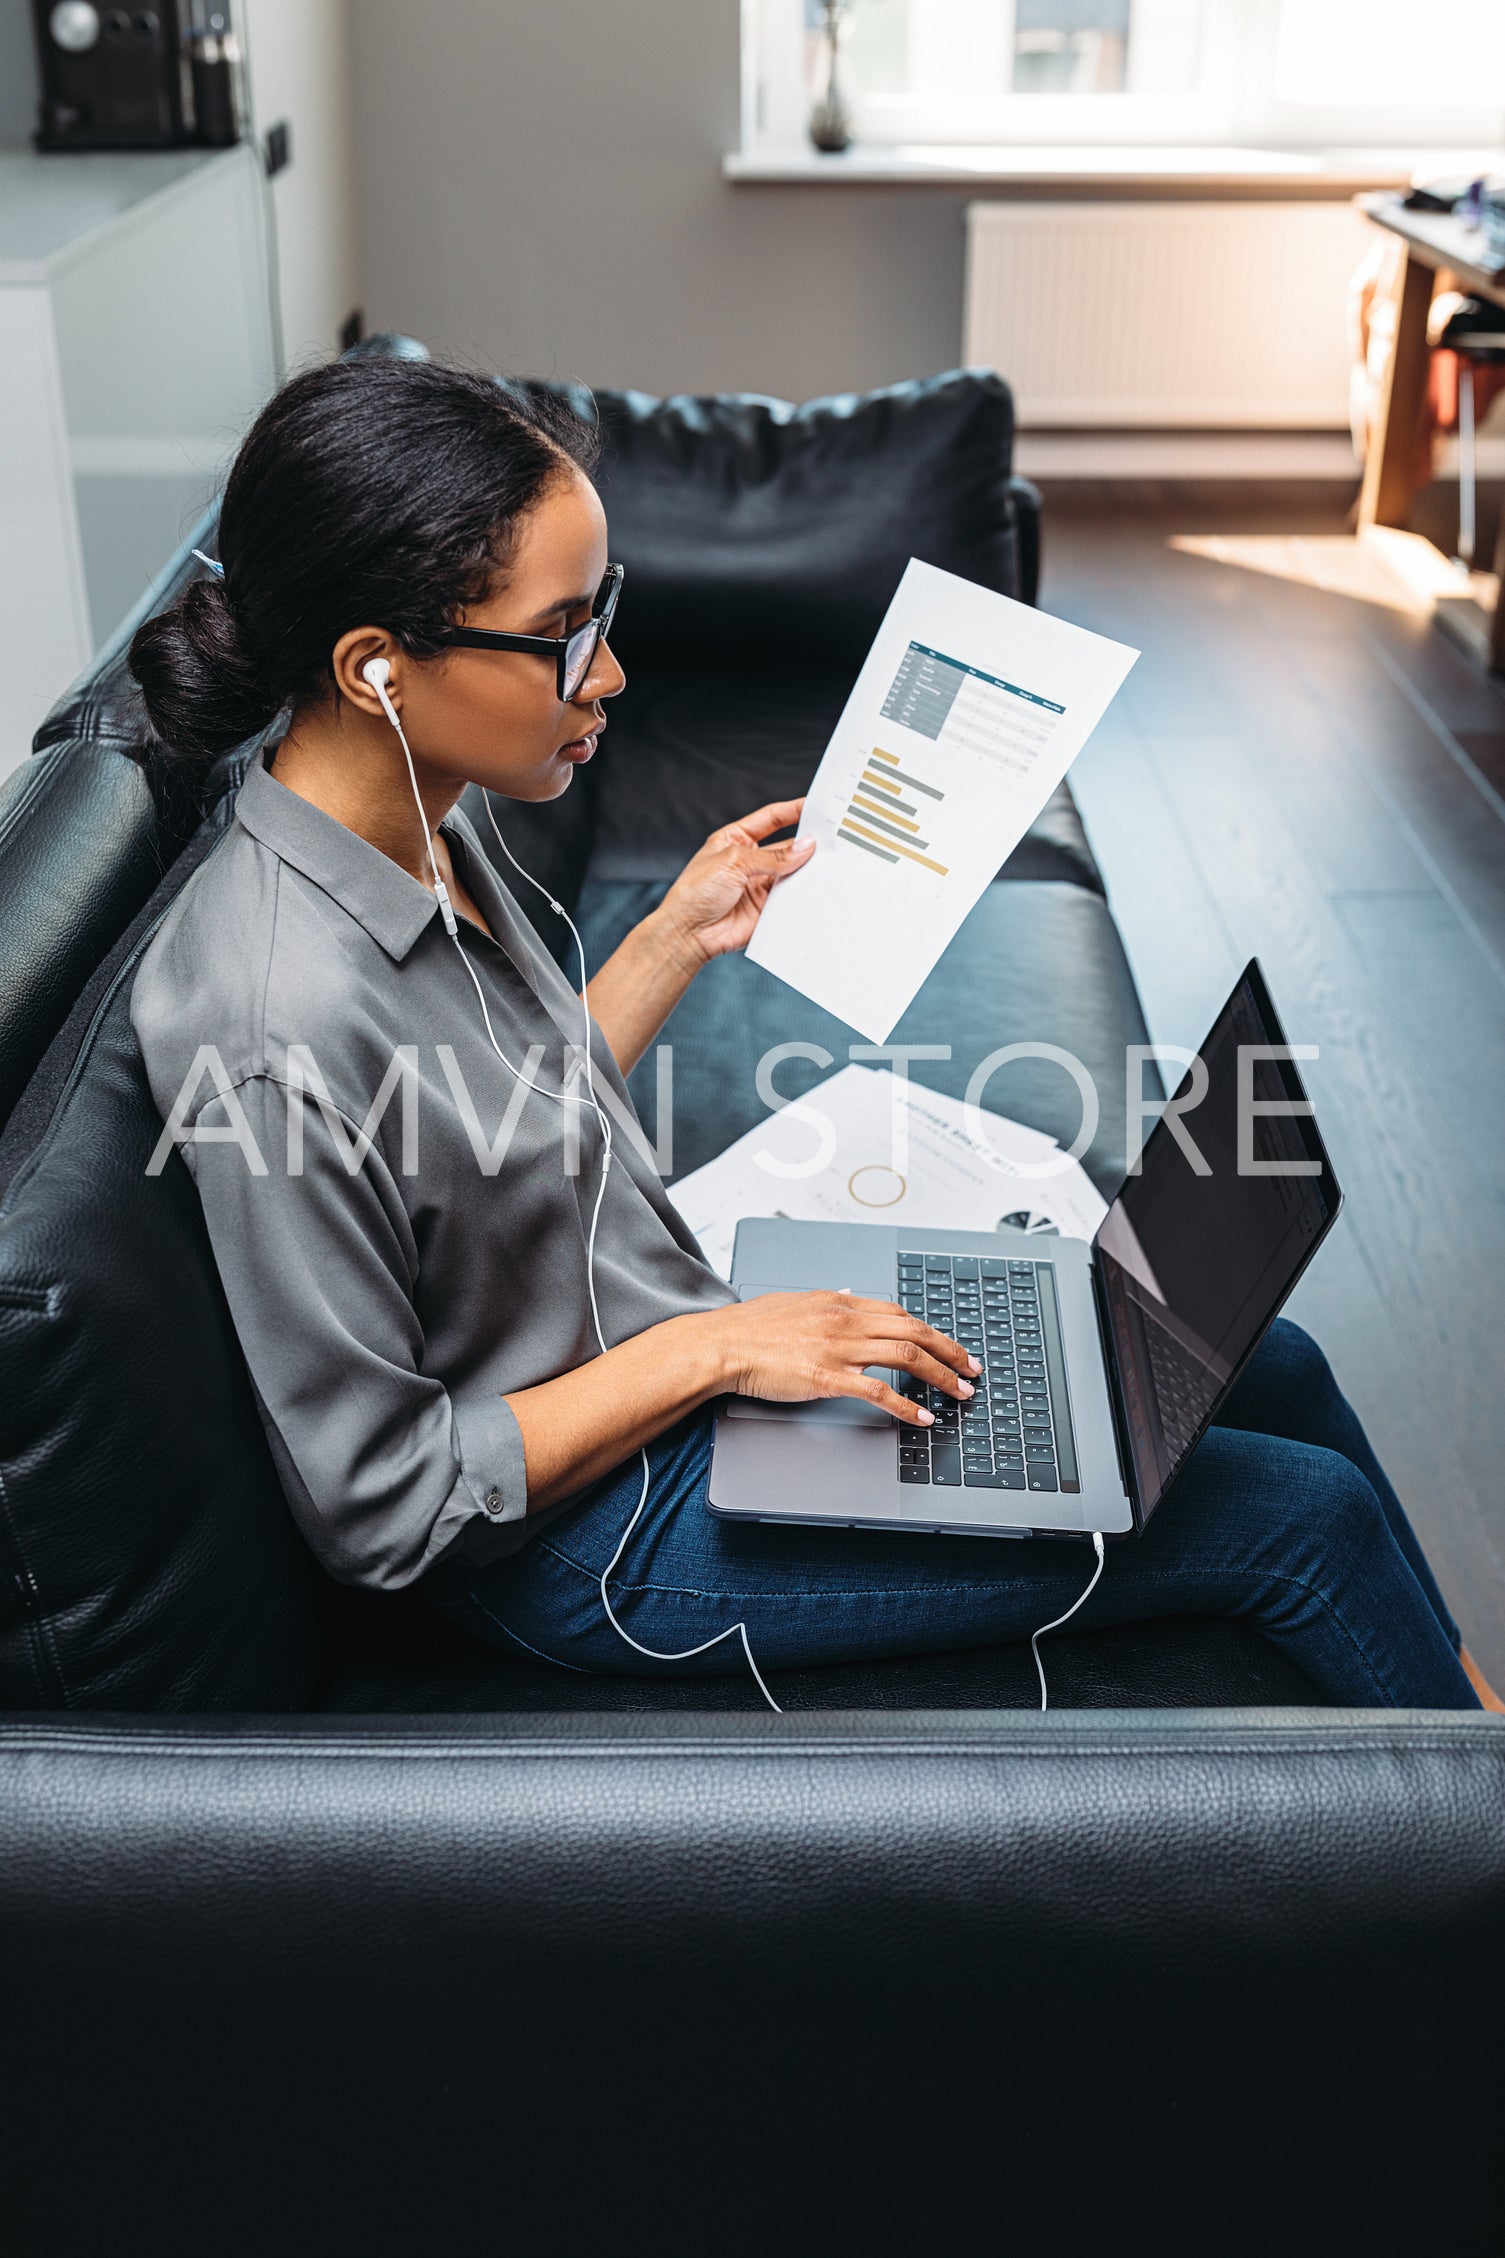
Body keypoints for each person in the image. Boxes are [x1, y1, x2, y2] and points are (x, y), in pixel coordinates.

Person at [128, 357, 1499, 1712]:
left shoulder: (414, 804)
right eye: (561, 634)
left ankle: (1454, 1707)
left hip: (671, 1371)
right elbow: (388, 1503)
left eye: (601, 608)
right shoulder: (270, 1017)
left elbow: (492, 1125)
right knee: (1296, 1518)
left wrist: (676, 930)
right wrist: (714, 1351)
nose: (605, 673)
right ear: (377, 669)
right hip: (588, 1542)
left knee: (1274, 1365)